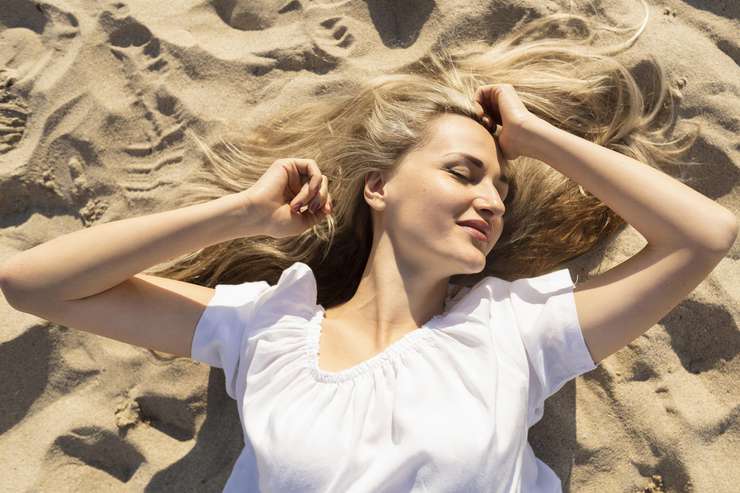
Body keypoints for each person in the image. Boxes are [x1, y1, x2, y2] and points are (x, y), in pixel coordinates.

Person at [1, 1, 736, 491]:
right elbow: (34, 284)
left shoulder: (515, 329)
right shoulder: (269, 328)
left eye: (501, 190)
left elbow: (703, 236)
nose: (490, 200)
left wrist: (536, 137)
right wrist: (241, 214)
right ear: (378, 187)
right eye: (463, 174)